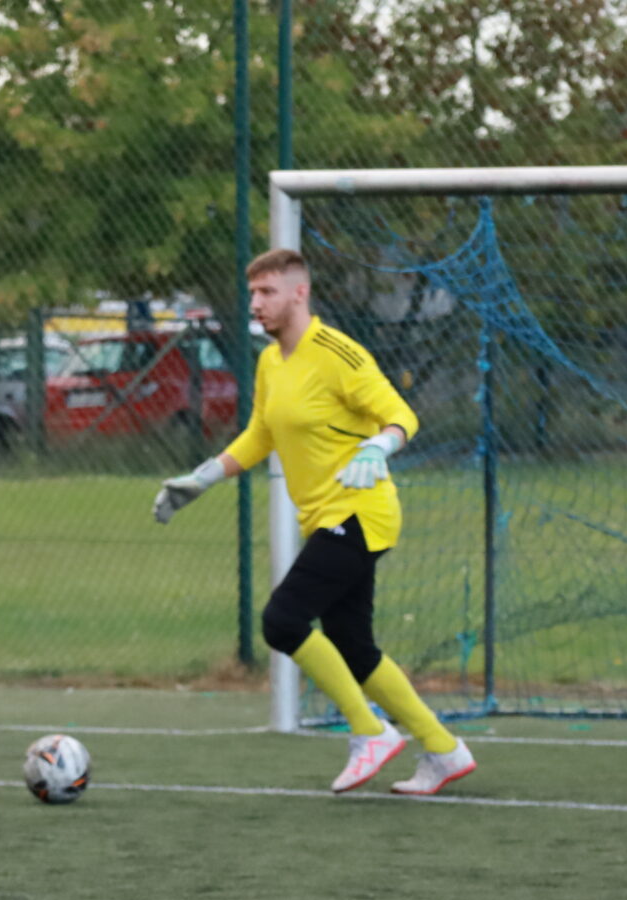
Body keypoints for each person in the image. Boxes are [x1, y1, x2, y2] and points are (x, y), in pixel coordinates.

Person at [153, 247, 474, 795]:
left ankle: (369, 731)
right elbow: (261, 434)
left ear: (299, 293)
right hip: (327, 519)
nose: (255, 303)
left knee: (283, 620)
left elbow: (401, 415)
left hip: (361, 511)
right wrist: (202, 478)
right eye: (252, 293)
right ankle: (443, 750)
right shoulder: (270, 362)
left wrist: (377, 447)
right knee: (353, 645)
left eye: (267, 292)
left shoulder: (337, 353)